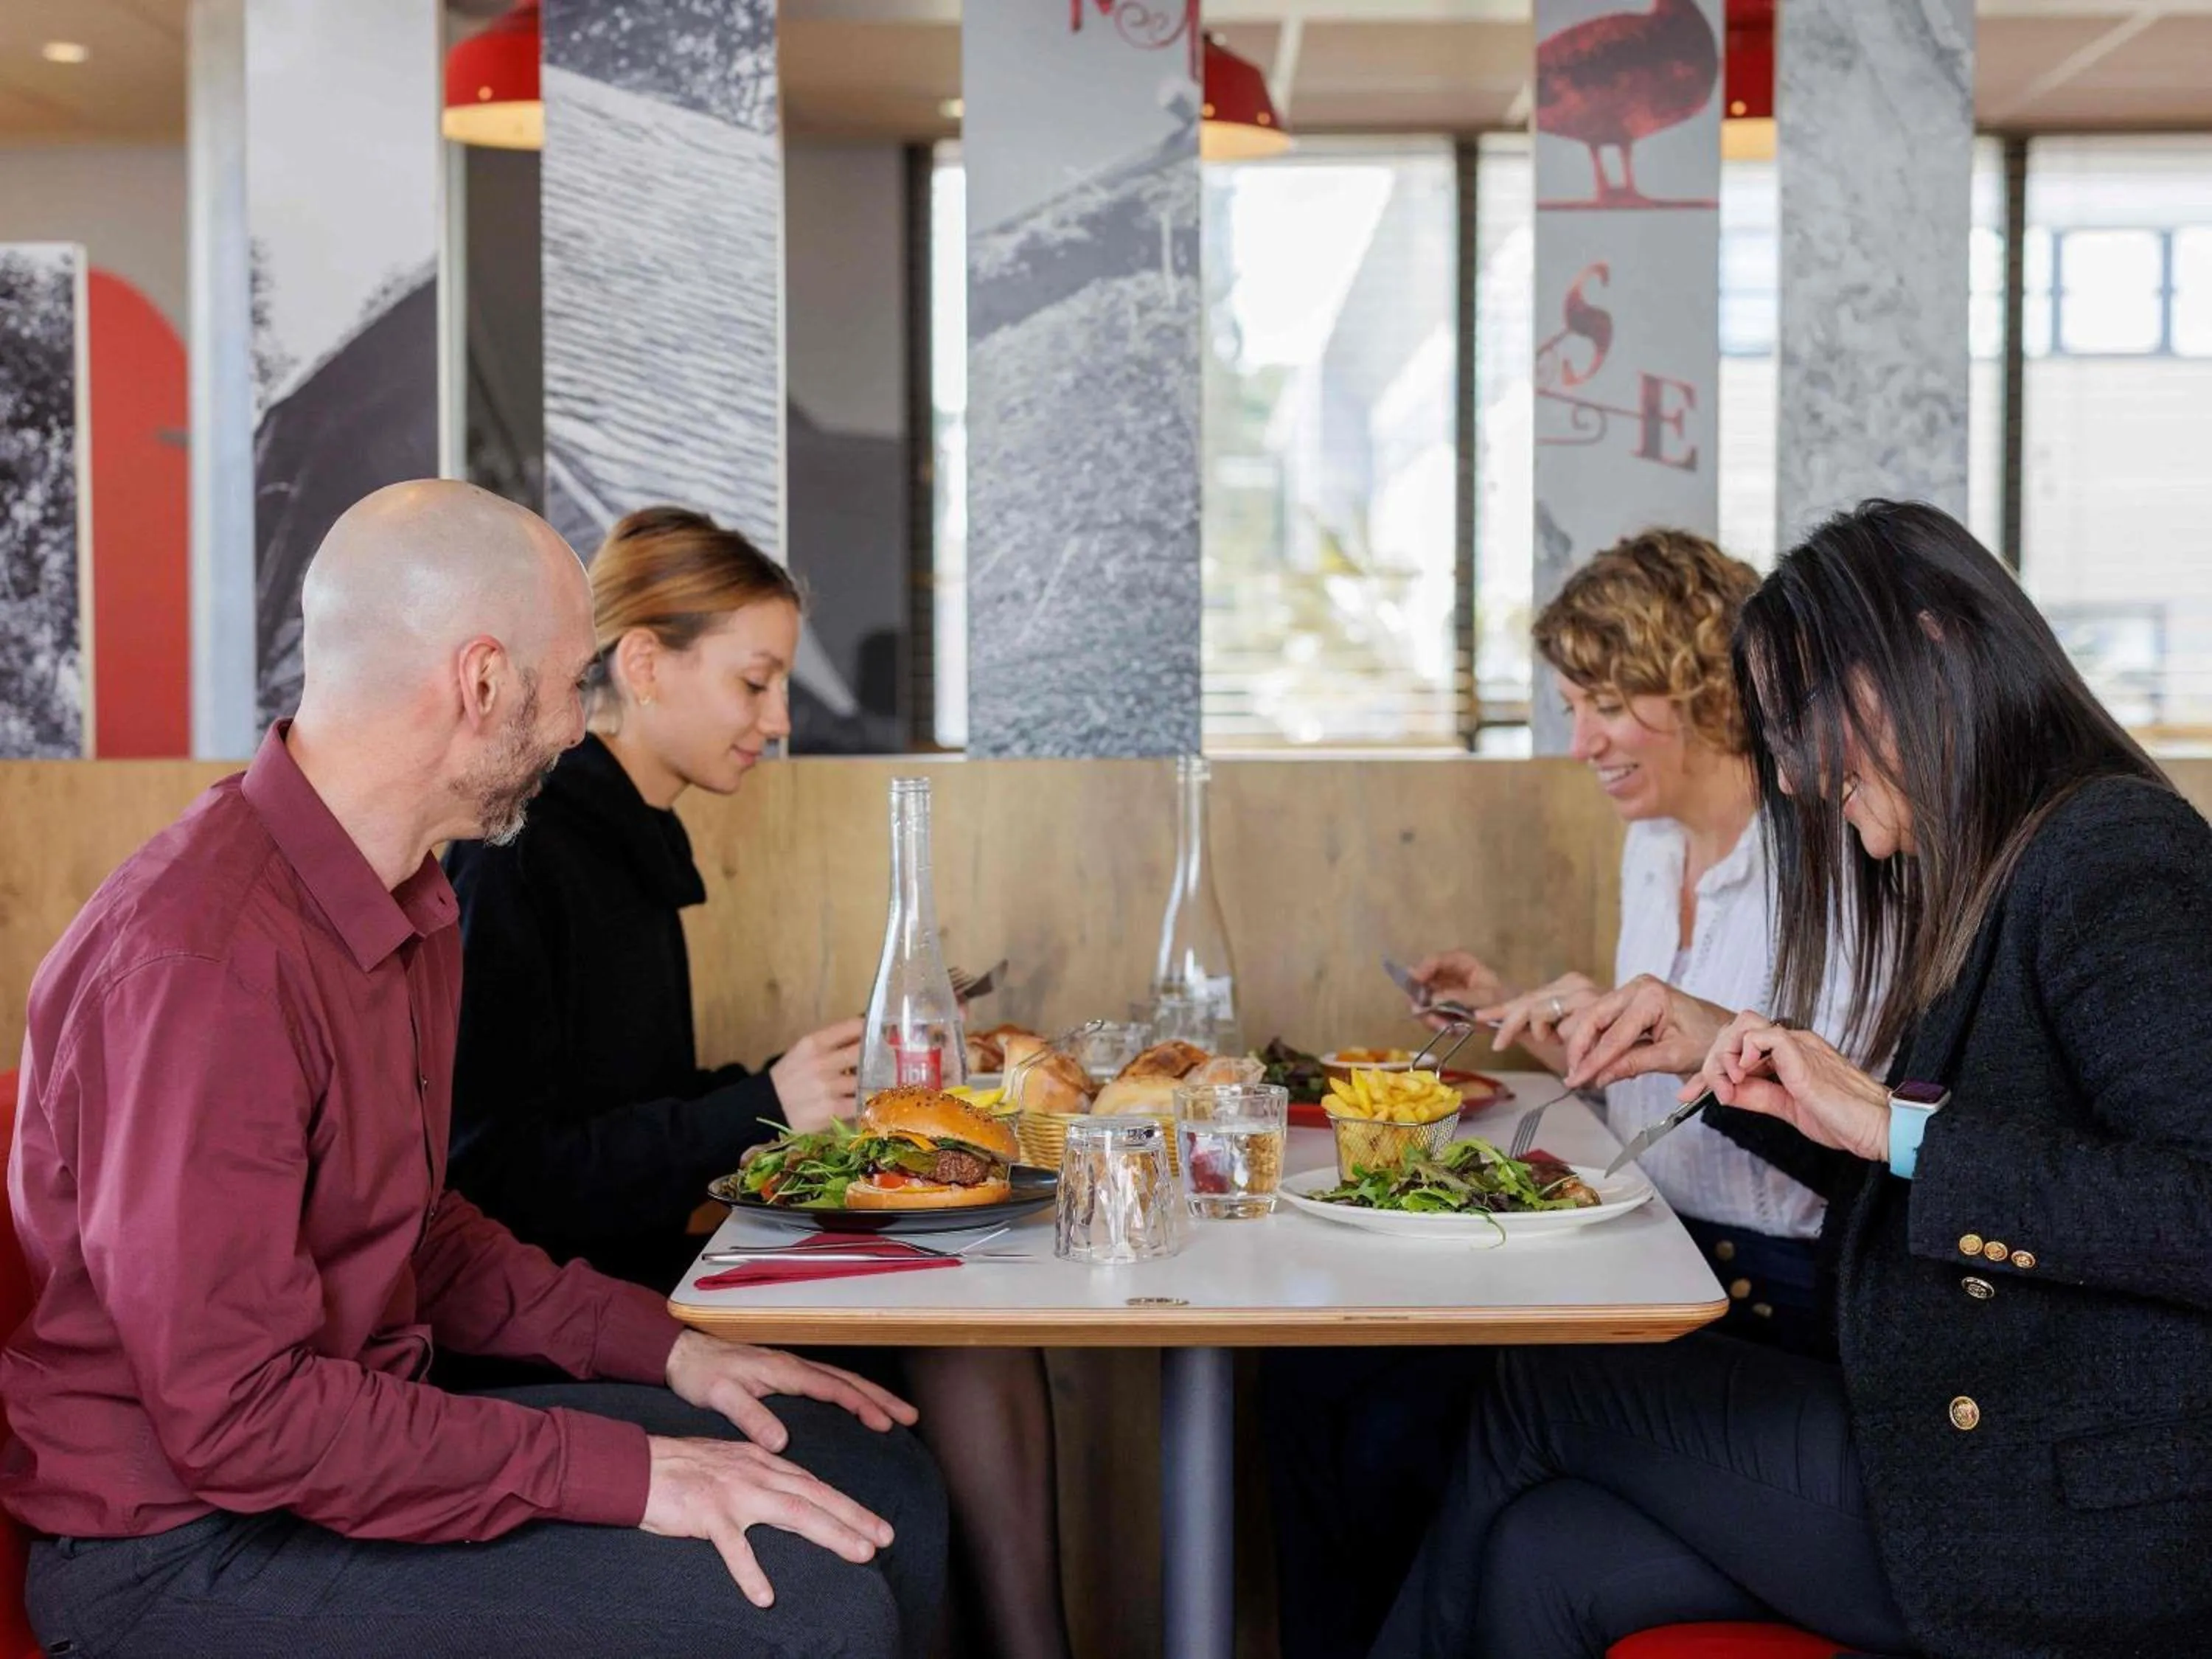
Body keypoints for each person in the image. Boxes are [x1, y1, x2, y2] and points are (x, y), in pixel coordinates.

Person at [4, 481, 947, 1658]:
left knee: (876, 1484)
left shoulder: (407, 901)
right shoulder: (202, 961)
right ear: (483, 680)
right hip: (184, 1547)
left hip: (338, 1451)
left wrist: (669, 1342)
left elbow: (424, 1233)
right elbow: (239, 1418)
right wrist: (628, 1471)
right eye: (567, 686)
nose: (571, 728)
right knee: (818, 1611)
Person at [1374, 499, 2212, 1658]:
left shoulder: (2118, 857)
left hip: (2058, 1512)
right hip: (1957, 1448)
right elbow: (1913, 1170)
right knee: (1547, 1553)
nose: (1806, 773)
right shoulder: (2004, 862)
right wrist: (1749, 1075)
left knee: (1541, 1382)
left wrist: (1899, 1127)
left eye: (1801, 718)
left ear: (1915, 658)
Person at [442, 505, 1072, 1659]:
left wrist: (791, 1083)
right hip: (556, 1329)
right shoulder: (517, 855)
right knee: (949, 1359)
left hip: (653, 1281)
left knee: (968, 1323)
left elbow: (624, 1097)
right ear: (643, 663)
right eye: (755, 683)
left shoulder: (624, 841)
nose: (778, 722)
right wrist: (762, 1102)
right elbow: (496, 1174)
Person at [1262, 531, 1844, 1659]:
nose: (1580, 742)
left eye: (1609, 704)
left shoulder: (1822, 858)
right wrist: (1538, 1006)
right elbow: (1660, 1052)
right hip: (1630, 1238)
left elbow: (1829, 1117)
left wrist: (1677, 1043)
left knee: (1394, 1420)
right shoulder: (1652, 843)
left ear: (1702, 684)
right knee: (1308, 1371)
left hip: (1763, 1290)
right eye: (1574, 704)